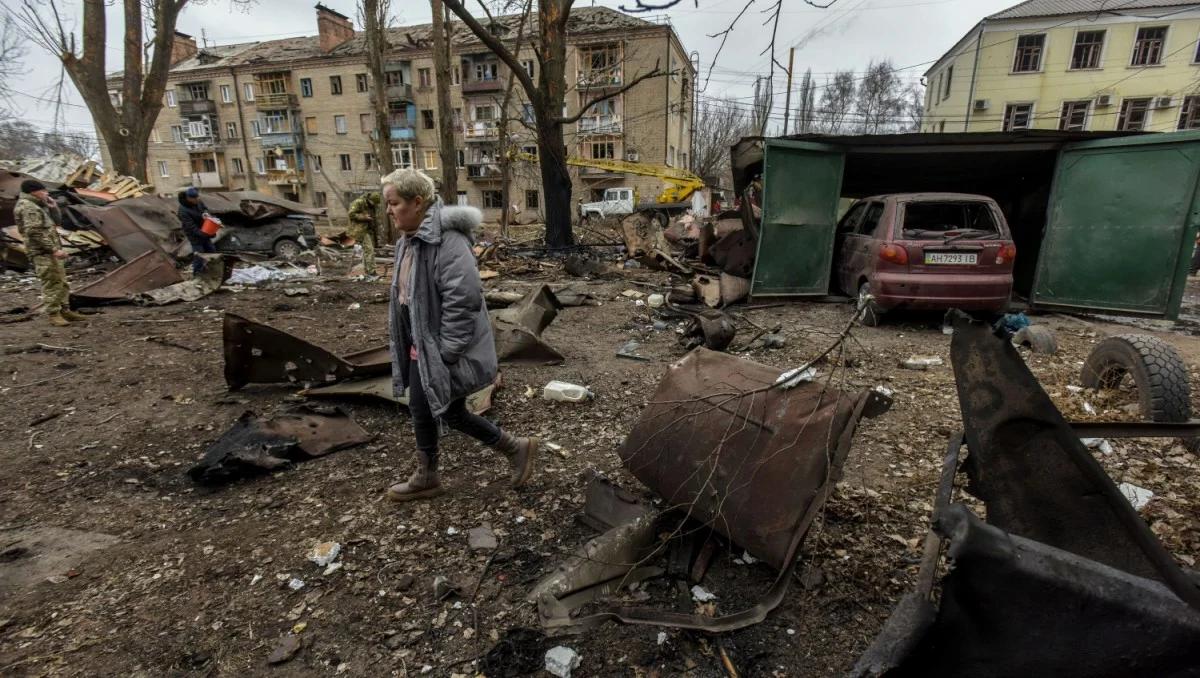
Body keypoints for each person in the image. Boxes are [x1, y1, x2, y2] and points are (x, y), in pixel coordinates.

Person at [383, 168, 538, 502]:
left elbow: (464, 299)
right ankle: (508, 450)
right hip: (420, 345)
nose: (389, 210)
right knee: (432, 409)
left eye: (394, 203)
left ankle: (506, 450)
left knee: (435, 409)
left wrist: (446, 352)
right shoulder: (408, 242)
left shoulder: (447, 241)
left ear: (417, 202)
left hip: (438, 347)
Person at [15, 179, 86, 326]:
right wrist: (53, 249)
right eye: (43, 191)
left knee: (61, 282)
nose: (46, 193)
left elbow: (56, 223)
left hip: (49, 251)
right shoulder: (28, 207)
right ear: (33, 192)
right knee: (52, 282)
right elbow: (34, 232)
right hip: (42, 252)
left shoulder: (37, 205)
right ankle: (54, 314)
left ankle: (65, 310)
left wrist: (53, 208)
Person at [177, 187, 214, 274]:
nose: (197, 199)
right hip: (194, 235)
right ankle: (197, 273)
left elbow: (205, 208)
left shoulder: (198, 202)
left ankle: (211, 270)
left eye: (198, 197)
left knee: (211, 250)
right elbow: (191, 227)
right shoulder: (183, 211)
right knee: (199, 254)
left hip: (204, 229)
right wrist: (205, 233)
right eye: (195, 198)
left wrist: (206, 213)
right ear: (188, 198)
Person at [346, 191, 380, 278]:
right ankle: (371, 272)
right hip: (359, 230)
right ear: (369, 199)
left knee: (367, 250)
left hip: (367, 230)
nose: (374, 205)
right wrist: (364, 217)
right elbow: (351, 214)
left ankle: (368, 270)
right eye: (374, 203)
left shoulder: (371, 206)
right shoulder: (359, 202)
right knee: (369, 250)